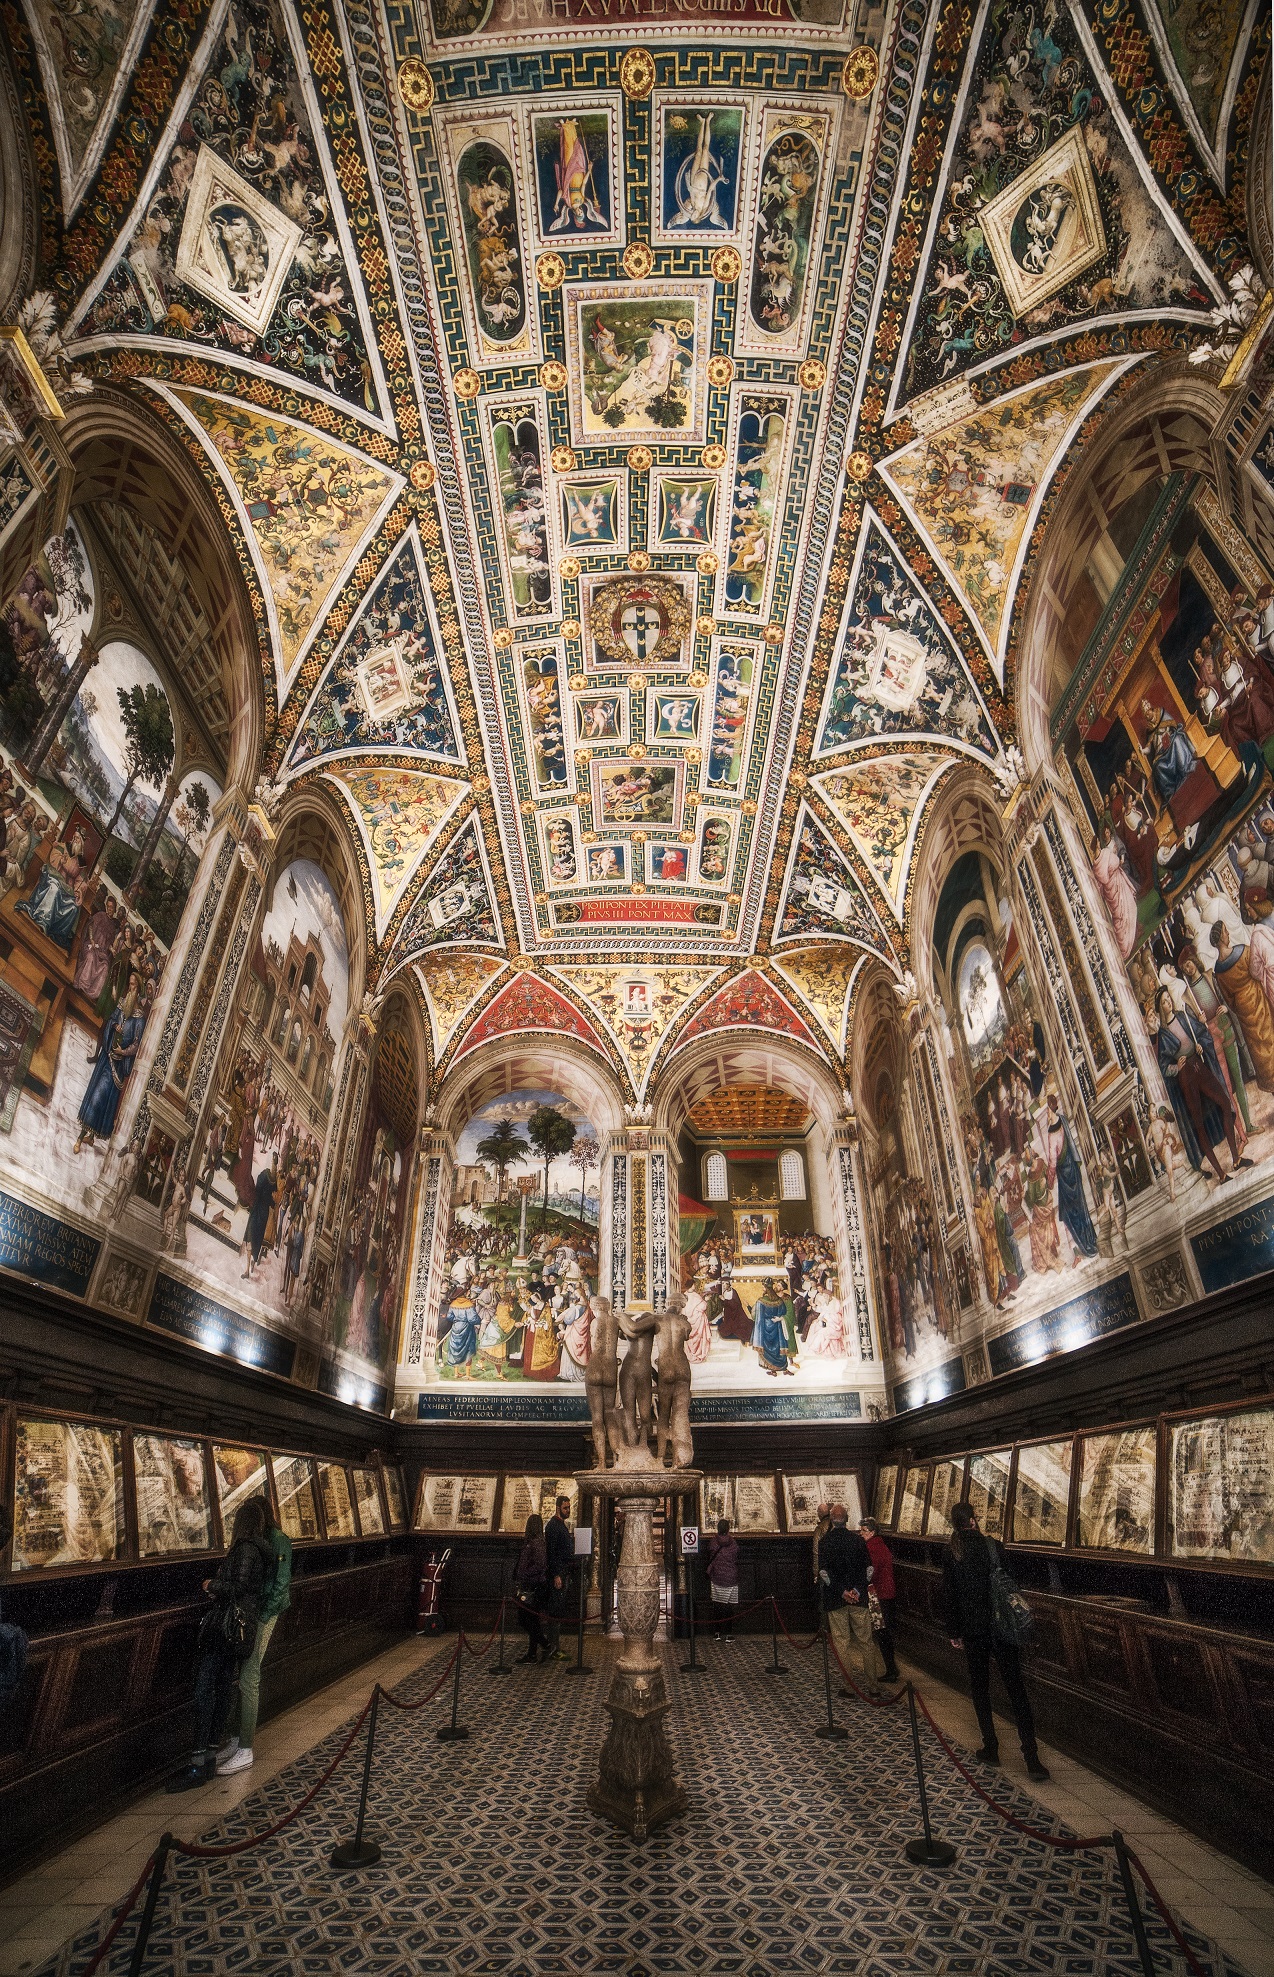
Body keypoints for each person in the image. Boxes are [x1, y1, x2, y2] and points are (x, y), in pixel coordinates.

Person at [168, 1498, 274, 1791]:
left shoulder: (245, 1549)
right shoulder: (260, 1549)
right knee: (223, 1687)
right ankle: (209, 1757)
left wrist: (211, 1585)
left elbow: (239, 1587)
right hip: (237, 1631)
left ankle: (199, 1762)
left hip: (225, 1629)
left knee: (205, 1690)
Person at [941, 1502, 1050, 1782]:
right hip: (1002, 1628)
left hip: (973, 1630)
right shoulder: (993, 1546)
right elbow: (1011, 1583)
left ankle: (991, 1747)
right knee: (1016, 1689)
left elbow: (949, 1595)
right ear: (973, 1521)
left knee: (980, 1688)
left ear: (955, 1523)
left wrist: (953, 1632)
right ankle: (1032, 1758)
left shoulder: (952, 1551)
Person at [216, 1495, 292, 1775]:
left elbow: (281, 1583)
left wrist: (263, 1614)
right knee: (243, 1677)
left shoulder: (278, 1540)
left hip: (262, 1614)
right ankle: (237, 1739)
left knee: (249, 1677)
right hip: (251, 1612)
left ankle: (245, 1748)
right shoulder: (259, 1539)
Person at [819, 1503, 885, 1693]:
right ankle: (873, 1686)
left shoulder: (825, 1542)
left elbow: (824, 1573)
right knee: (866, 1642)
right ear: (847, 1520)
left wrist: (842, 1592)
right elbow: (868, 1570)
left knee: (842, 1643)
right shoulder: (858, 1541)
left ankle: (849, 1686)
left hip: (836, 1600)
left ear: (831, 1520)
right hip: (858, 1599)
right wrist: (856, 1590)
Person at [859, 1516, 899, 1682]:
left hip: (880, 1595)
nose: (861, 1533)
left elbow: (871, 1572)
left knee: (883, 1633)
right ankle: (891, 1668)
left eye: (864, 1531)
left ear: (872, 1532)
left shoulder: (873, 1548)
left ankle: (891, 1670)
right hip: (884, 1594)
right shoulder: (879, 1544)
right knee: (883, 1633)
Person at [515, 1513, 549, 1663]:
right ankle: (533, 1653)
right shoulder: (534, 1543)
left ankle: (544, 1644)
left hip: (533, 1585)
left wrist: (524, 1573)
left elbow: (540, 1565)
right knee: (531, 1619)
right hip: (531, 1584)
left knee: (526, 1618)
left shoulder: (536, 1543)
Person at [544, 1494, 573, 1659]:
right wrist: (556, 1575)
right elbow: (552, 1553)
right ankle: (553, 1648)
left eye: (569, 1508)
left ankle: (554, 1646)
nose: (568, 1511)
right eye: (565, 1508)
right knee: (555, 1611)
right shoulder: (554, 1526)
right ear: (558, 1508)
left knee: (558, 1610)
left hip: (563, 1571)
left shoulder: (560, 1525)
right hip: (558, 1574)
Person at [704, 1517, 739, 1639]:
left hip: (717, 1577)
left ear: (718, 1528)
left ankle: (717, 1632)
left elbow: (710, 1553)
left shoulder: (713, 1542)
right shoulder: (733, 1543)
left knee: (718, 1605)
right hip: (731, 1577)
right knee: (729, 1607)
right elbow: (735, 1555)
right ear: (728, 1529)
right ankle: (729, 1634)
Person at [811, 1501, 830, 1585]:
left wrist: (816, 1572)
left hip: (825, 1568)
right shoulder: (837, 1525)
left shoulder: (820, 1528)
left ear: (819, 1514)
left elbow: (816, 1551)